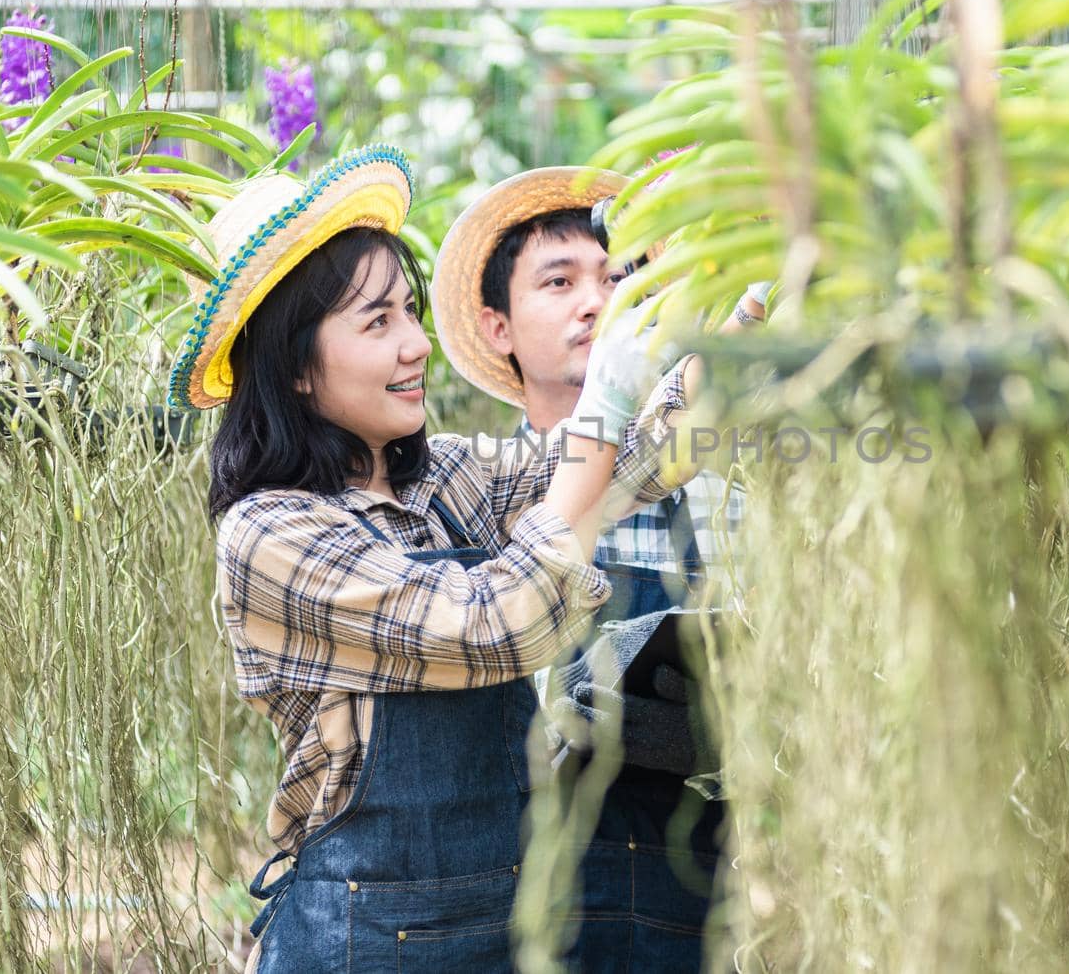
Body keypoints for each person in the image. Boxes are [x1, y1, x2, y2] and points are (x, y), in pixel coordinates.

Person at [167, 145, 703, 972]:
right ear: (296, 365)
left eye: (411, 312)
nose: (417, 345)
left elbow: (621, 464)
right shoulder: (273, 535)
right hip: (361, 944)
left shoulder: (445, 478)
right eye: (378, 322)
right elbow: (495, 625)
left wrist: (725, 324)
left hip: (500, 933)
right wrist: (603, 402)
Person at [432, 166, 769, 971]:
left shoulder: (726, 483)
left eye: (618, 278)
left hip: (700, 861)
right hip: (529, 861)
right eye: (559, 281)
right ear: (497, 326)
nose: (598, 301)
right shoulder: (476, 486)